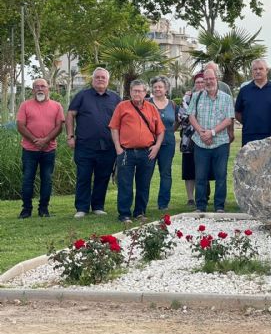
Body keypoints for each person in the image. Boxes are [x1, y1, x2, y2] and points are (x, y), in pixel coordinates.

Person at [66, 67, 121, 218]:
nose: (100, 79)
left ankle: (98, 206)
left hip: (108, 146)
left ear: (108, 80)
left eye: (103, 77)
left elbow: (122, 120)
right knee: (83, 176)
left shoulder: (116, 99)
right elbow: (70, 114)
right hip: (84, 145)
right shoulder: (82, 96)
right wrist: (70, 136)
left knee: (102, 177)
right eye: (97, 77)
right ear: (93, 79)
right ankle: (82, 208)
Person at [109, 80, 164, 223]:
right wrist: (118, 148)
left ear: (145, 93)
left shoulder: (151, 108)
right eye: (134, 91)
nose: (137, 93)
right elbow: (114, 127)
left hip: (147, 153)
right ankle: (125, 214)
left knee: (143, 184)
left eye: (140, 91)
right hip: (126, 152)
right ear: (130, 92)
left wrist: (157, 146)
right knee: (125, 184)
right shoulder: (122, 106)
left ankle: (140, 212)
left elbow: (160, 130)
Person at [16, 79, 65, 219]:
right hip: (29, 150)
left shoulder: (57, 106)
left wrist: (45, 140)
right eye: (36, 86)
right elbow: (20, 125)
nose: (40, 89)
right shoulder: (25, 105)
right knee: (27, 179)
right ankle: (26, 209)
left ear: (48, 89)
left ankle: (43, 209)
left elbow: (59, 127)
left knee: (47, 179)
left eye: (43, 86)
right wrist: (35, 140)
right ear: (32, 90)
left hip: (49, 150)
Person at [188, 68, 235, 212]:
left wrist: (212, 133)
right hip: (201, 143)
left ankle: (219, 206)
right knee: (200, 176)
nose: (208, 82)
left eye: (211, 79)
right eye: (206, 79)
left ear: (217, 79)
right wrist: (202, 133)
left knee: (221, 176)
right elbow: (191, 116)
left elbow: (229, 119)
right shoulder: (196, 96)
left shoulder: (226, 98)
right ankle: (200, 206)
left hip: (220, 143)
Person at [235, 59, 271, 145]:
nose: (258, 71)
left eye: (261, 69)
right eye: (255, 69)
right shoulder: (244, 91)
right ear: (252, 72)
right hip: (249, 136)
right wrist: (248, 122)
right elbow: (237, 113)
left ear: (267, 70)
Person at [149, 76, 178, 210]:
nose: (157, 89)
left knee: (165, 173)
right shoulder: (147, 103)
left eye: (160, 87)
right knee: (146, 173)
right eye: (155, 87)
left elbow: (176, 122)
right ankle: (142, 202)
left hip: (168, 144)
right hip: (149, 144)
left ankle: (163, 204)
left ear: (166, 89)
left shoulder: (172, 105)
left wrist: (169, 132)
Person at [179, 74, 205, 208]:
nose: (200, 84)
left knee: (203, 168)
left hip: (206, 138)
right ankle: (190, 198)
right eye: (198, 82)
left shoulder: (210, 97)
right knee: (189, 169)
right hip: (189, 139)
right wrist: (198, 122)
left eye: (202, 82)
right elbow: (182, 117)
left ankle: (203, 196)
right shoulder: (187, 98)